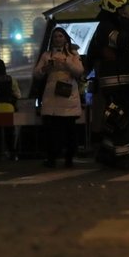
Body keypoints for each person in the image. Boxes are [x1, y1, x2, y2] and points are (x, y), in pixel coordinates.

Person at [87, 0, 129, 170]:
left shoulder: (110, 24)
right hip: (116, 82)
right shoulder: (107, 26)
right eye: (123, 8)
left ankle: (107, 155)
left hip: (119, 81)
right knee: (121, 120)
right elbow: (122, 41)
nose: (125, 11)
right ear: (114, 7)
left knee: (114, 121)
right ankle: (122, 159)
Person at [34, 27, 85, 168]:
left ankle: (69, 158)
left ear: (65, 38)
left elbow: (80, 71)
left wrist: (67, 62)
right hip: (52, 97)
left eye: (60, 36)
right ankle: (52, 157)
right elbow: (37, 73)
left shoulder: (73, 54)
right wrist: (45, 69)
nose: (58, 39)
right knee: (52, 131)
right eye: (55, 36)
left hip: (68, 96)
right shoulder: (46, 55)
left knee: (69, 130)